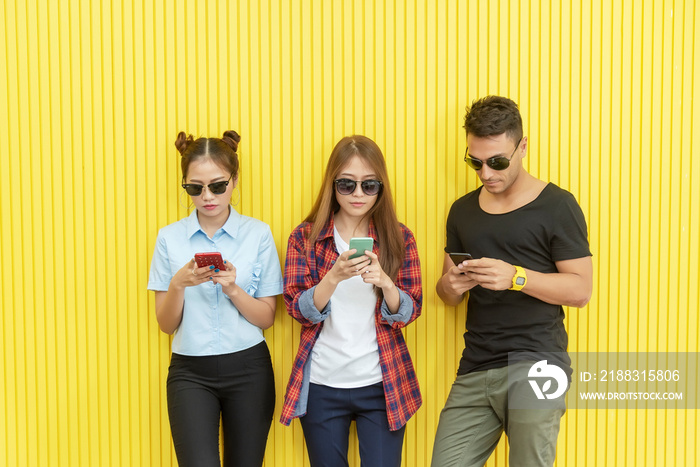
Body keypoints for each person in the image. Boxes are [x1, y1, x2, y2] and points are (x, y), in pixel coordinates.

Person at [431, 96, 593, 467]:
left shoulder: (557, 205)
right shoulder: (462, 211)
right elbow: (447, 295)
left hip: (537, 363)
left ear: (523, 147)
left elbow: (580, 290)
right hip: (476, 366)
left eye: (497, 161)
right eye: (475, 162)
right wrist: (451, 286)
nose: (486, 173)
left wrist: (516, 277)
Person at [280, 135, 423, 467]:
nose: (358, 194)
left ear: (381, 187)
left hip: (382, 382)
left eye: (369, 185)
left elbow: (409, 310)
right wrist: (333, 277)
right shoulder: (305, 238)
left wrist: (385, 283)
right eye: (347, 184)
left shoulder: (400, 238)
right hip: (322, 385)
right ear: (332, 185)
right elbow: (297, 309)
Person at [147, 131, 282, 467]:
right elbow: (166, 325)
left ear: (234, 181)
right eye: (195, 188)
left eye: (217, 185)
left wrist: (233, 289)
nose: (207, 196)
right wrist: (178, 284)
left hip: (249, 368)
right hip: (190, 371)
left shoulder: (258, 233)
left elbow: (266, 317)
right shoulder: (169, 238)